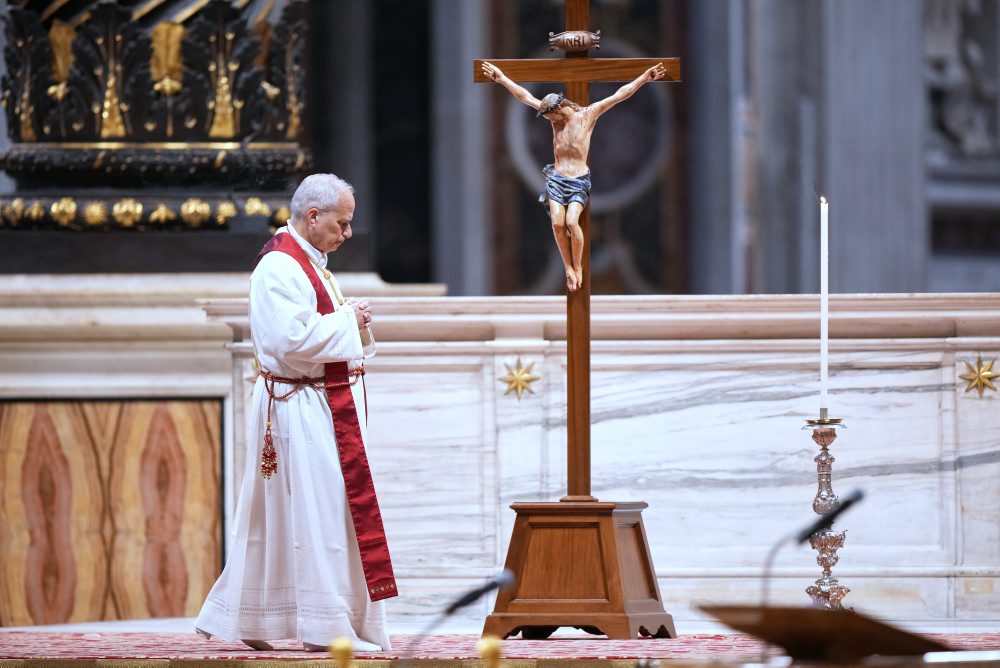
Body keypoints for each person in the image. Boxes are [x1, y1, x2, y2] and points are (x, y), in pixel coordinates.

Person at [195, 173, 397, 652]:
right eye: (342, 223)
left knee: (291, 517)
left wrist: (350, 320)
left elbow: (312, 328)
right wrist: (350, 320)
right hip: (295, 405)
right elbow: (290, 341)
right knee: (319, 515)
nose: (347, 233)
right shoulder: (279, 268)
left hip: (312, 401)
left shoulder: (312, 262)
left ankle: (260, 619)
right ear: (313, 216)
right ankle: (324, 628)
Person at [481, 60, 667, 291]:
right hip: (557, 179)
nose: (550, 122)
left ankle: (577, 266)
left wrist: (644, 79)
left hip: (577, 179)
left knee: (571, 222)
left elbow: (619, 95)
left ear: (559, 109)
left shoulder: (587, 115)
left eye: (551, 117)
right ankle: (568, 267)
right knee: (558, 224)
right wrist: (501, 79)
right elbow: (526, 97)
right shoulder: (554, 120)